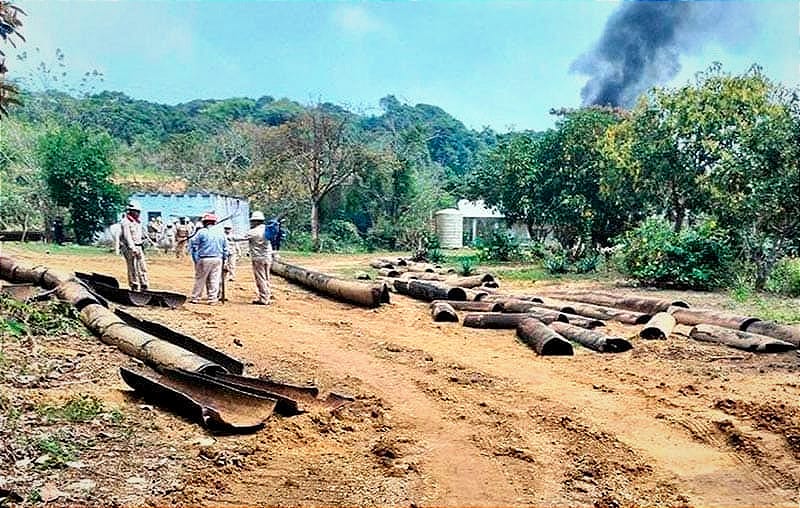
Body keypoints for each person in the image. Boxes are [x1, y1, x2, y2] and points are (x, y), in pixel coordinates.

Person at [189, 212, 228, 305]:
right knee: (214, 279)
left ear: (204, 222)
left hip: (205, 258)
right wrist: (225, 260)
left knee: (200, 279)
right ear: (214, 222)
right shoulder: (221, 233)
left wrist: (195, 256)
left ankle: (196, 297)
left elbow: (193, 242)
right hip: (218, 259)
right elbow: (226, 248)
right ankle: (213, 299)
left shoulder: (202, 232)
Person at [243, 211, 273, 305]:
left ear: (255, 221)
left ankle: (263, 298)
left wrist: (227, 236)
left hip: (258, 258)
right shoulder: (267, 229)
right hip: (267, 257)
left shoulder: (253, 232)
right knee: (266, 277)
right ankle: (267, 295)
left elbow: (240, 237)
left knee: (260, 278)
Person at [119, 200, 149, 291]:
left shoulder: (138, 222)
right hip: (129, 248)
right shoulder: (125, 222)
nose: (138, 213)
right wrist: (133, 248)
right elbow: (127, 236)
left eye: (139, 211)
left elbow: (141, 235)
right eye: (136, 211)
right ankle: (134, 285)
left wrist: (144, 240)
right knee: (132, 267)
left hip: (139, 246)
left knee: (142, 266)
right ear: (131, 211)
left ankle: (144, 284)